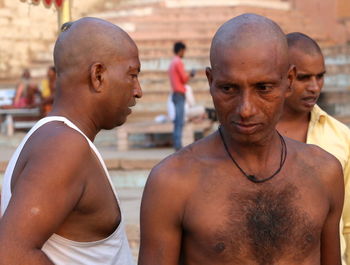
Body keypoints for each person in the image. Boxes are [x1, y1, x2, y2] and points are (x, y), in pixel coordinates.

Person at [139, 14, 344, 265]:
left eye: (263, 88)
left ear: (288, 82)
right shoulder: (173, 182)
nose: (245, 109)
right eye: (228, 89)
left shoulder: (324, 172)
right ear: (211, 82)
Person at [0, 17, 142, 265]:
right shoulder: (63, 147)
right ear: (98, 75)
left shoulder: (57, 139)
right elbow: (11, 255)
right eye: (132, 75)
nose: (138, 90)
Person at [276, 32, 350, 265]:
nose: (314, 87)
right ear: (283, 76)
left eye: (320, 77)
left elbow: (348, 224)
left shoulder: (342, 138)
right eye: (304, 78)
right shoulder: (253, 135)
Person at [168, 41, 195, 150]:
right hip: (179, 93)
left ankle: (177, 143)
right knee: (179, 121)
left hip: (175, 93)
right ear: (180, 50)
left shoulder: (172, 63)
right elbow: (183, 79)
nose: (184, 53)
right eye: (184, 51)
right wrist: (191, 74)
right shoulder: (178, 62)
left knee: (177, 121)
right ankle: (178, 145)